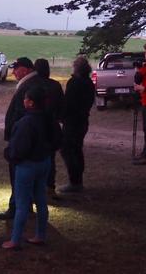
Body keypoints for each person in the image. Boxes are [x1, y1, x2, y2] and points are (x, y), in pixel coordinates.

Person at [2, 86, 60, 249]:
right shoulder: (49, 119)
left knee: (22, 203)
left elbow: (19, 148)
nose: (24, 101)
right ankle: (40, 235)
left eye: (26, 99)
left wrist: (10, 155)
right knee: (41, 200)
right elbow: (57, 140)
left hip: (27, 166)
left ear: (31, 103)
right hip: (44, 162)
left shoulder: (26, 123)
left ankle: (15, 239)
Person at [0, 57, 45, 220]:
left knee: (18, 175)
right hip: (27, 137)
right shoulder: (34, 82)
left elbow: (23, 113)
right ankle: (24, 206)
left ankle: (16, 207)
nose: (13, 72)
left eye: (16, 69)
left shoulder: (29, 85)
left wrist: (16, 133)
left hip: (22, 138)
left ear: (25, 69)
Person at [59, 56, 95, 192]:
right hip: (83, 120)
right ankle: (77, 180)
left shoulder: (74, 82)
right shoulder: (89, 83)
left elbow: (68, 103)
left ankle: (74, 182)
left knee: (68, 150)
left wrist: (62, 116)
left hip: (72, 121)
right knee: (77, 149)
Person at [34, 59, 64, 198]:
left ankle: (37, 189)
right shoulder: (55, 85)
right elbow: (61, 107)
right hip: (52, 126)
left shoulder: (33, 85)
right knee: (50, 160)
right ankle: (50, 187)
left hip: (36, 126)